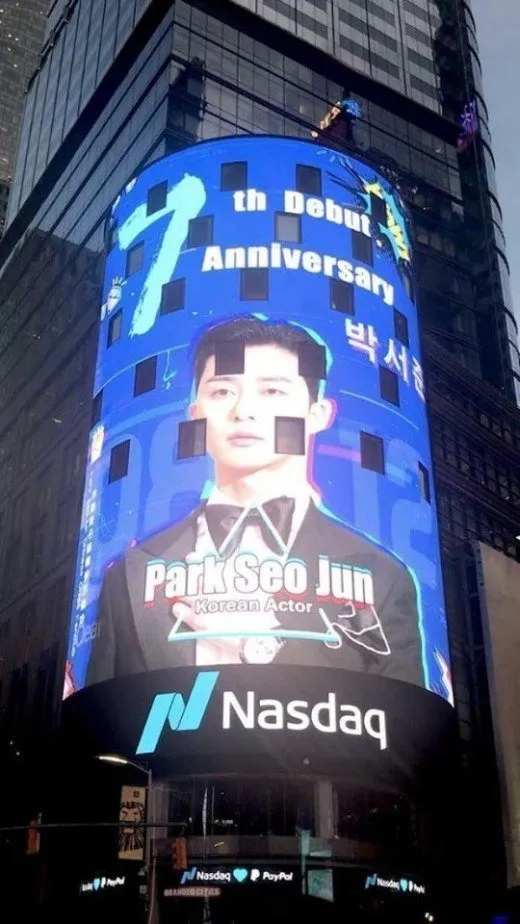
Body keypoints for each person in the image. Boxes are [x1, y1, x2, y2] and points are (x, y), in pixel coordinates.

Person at [87, 316, 423, 686]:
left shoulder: (383, 579)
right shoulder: (129, 574)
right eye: (222, 392)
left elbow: (401, 716)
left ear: (317, 415)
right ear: (196, 415)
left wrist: (255, 648)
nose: (243, 411)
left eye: (272, 391)